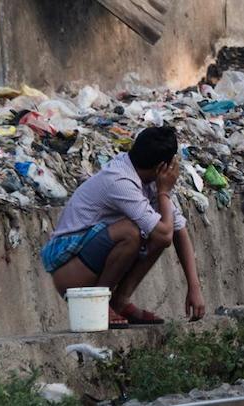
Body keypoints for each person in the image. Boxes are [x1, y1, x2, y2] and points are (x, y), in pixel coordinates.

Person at [41, 126, 205, 328]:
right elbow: (165, 236)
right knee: (132, 232)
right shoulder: (120, 180)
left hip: (85, 261)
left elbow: (178, 230)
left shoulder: (149, 180)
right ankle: (100, 306)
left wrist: (194, 287)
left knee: (154, 229)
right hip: (68, 268)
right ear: (163, 167)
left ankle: (120, 301)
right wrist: (164, 192)